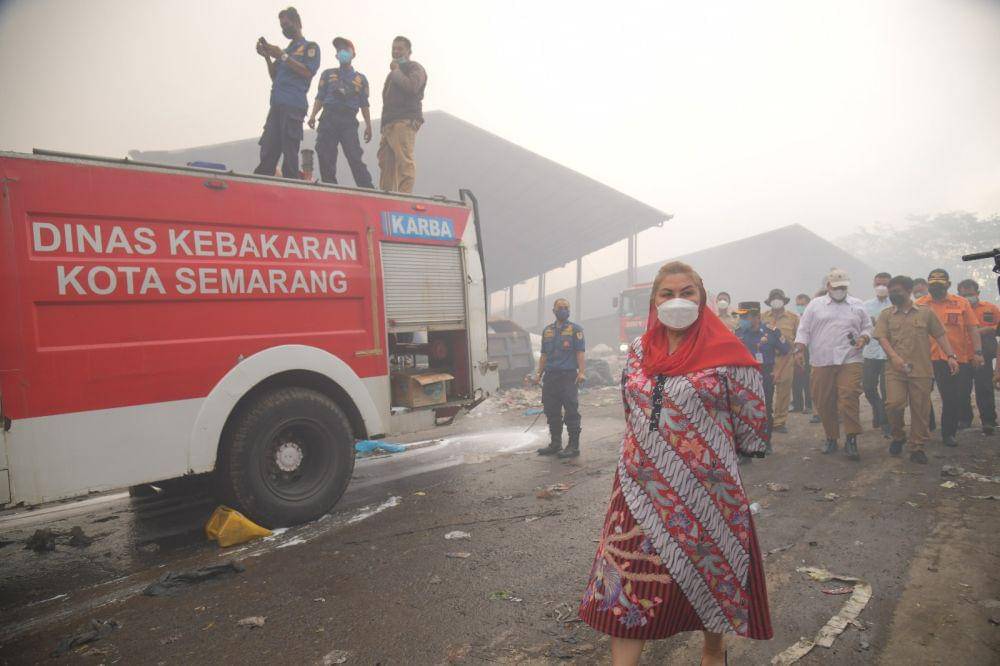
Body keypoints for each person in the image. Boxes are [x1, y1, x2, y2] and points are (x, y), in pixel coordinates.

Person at [578, 261, 772, 666]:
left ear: (702, 299)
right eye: (667, 293)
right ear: (654, 301)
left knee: (712, 573)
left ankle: (713, 651)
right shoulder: (637, 352)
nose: (677, 301)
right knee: (628, 577)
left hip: (707, 490)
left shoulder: (729, 355)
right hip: (637, 487)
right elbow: (631, 409)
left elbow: (751, 420)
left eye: (687, 293)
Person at [874, 275, 958, 464]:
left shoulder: (925, 313)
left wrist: (951, 356)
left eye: (897, 291)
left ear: (909, 291)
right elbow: (882, 338)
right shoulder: (886, 315)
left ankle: (917, 446)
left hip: (921, 369)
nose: (893, 295)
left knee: (920, 410)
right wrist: (894, 358)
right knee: (893, 405)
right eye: (891, 292)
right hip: (895, 370)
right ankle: (898, 435)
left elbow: (940, 335)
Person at [794, 269, 873, 460]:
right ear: (828, 286)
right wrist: (799, 349)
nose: (840, 290)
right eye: (836, 287)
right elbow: (803, 329)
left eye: (843, 287)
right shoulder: (815, 305)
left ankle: (851, 439)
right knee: (823, 399)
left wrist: (864, 338)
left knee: (849, 396)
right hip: (822, 359)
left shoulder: (857, 305)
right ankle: (831, 437)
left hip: (850, 358)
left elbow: (868, 327)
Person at [915, 269, 982, 447]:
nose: (936, 288)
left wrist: (978, 352)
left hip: (953, 358)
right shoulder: (920, 304)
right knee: (921, 396)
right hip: (925, 357)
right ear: (928, 285)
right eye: (933, 285)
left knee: (951, 397)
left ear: (948, 285)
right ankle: (926, 428)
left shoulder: (961, 303)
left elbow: (972, 329)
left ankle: (948, 433)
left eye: (940, 285)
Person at [253, 7, 320, 179]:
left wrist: (282, 56)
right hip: (276, 105)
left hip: (293, 105)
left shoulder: (309, 47)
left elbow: (308, 72)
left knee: (290, 151)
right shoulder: (287, 50)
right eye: (282, 26)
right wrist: (268, 57)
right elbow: (274, 76)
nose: (284, 29)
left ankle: (291, 183)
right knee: (268, 149)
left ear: (297, 23)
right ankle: (262, 182)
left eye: (287, 24)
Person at [307, 37, 374, 188]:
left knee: (354, 155)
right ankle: (330, 186)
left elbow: (364, 104)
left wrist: (368, 126)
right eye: (339, 50)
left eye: (346, 50)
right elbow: (320, 97)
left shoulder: (361, 79)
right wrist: (313, 116)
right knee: (325, 153)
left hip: (348, 120)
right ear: (336, 55)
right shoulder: (327, 74)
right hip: (328, 117)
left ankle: (367, 188)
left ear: (353, 54)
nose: (342, 52)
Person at [533, 299, 585, 458]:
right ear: (554, 310)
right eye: (560, 308)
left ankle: (573, 446)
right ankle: (555, 444)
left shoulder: (575, 330)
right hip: (550, 377)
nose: (563, 310)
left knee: (571, 411)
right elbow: (543, 355)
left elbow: (580, 353)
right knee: (551, 411)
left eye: (566, 307)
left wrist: (581, 372)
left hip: (568, 377)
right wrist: (538, 374)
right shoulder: (547, 331)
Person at [735, 301, 789, 452]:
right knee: (743, 410)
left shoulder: (771, 332)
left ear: (757, 317)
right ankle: (746, 444)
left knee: (765, 409)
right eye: (741, 317)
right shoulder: (738, 333)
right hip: (744, 375)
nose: (742, 320)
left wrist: (778, 372)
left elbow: (786, 351)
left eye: (745, 317)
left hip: (764, 374)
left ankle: (766, 442)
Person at [377, 36, 427, 193]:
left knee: (404, 161)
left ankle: (404, 198)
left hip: (404, 121)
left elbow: (412, 86)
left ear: (409, 51)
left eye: (400, 48)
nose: (396, 51)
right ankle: (387, 198)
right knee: (385, 163)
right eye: (394, 48)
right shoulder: (392, 75)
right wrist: (384, 125)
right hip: (389, 124)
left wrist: (396, 71)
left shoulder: (415, 68)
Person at [957, 279, 998, 434]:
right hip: (962, 356)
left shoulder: (990, 308)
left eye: (971, 294)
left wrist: (987, 329)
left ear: (978, 293)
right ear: (959, 295)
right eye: (964, 295)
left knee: (985, 388)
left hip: (983, 356)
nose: (968, 297)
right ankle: (964, 419)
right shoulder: (955, 311)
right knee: (962, 389)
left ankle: (988, 421)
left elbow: (997, 326)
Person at [762, 289, 798, 434]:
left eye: (779, 298)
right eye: (773, 298)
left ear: (784, 301)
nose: (776, 300)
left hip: (786, 357)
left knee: (784, 391)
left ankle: (779, 422)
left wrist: (798, 354)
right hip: (767, 357)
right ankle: (766, 419)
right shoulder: (763, 317)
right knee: (765, 389)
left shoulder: (793, 318)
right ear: (769, 301)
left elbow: (799, 337)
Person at [862, 273, 893, 438]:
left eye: (885, 284)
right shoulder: (866, 305)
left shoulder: (896, 304)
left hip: (889, 354)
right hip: (870, 352)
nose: (881, 288)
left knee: (887, 390)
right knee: (868, 388)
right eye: (878, 284)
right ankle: (878, 410)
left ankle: (886, 423)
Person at [791, 294, 814, 414]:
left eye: (802, 304)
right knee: (796, 379)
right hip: (797, 350)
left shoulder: (813, 317)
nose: (800, 307)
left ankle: (809, 405)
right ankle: (797, 404)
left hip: (810, 351)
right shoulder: (796, 318)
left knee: (808, 379)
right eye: (798, 305)